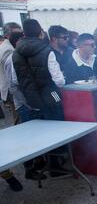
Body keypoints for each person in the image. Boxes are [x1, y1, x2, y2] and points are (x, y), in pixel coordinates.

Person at [13, 19, 68, 177]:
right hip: (50, 97)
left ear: (24, 33)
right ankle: (56, 168)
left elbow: (16, 81)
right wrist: (61, 80)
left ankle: (42, 166)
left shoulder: (16, 53)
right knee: (57, 133)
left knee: (41, 135)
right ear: (40, 32)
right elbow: (58, 80)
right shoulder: (47, 51)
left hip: (31, 101)